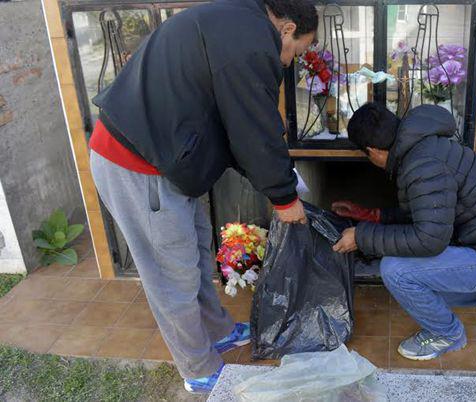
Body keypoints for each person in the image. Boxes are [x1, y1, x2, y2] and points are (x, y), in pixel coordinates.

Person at [88, 0, 317, 393]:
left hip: (165, 157)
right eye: (297, 51)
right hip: (137, 164)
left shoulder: (238, 23)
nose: (289, 62)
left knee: (194, 254)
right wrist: (284, 198)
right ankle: (196, 367)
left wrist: (279, 182)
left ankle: (218, 329)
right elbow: (254, 133)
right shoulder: (250, 44)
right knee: (171, 275)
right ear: (286, 28)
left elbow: (242, 129)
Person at [332, 103, 476, 361]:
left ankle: (447, 334)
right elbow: (426, 214)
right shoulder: (423, 148)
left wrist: (361, 237)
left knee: (397, 271)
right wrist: (371, 216)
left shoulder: (422, 165)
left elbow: (429, 240)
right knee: (421, 277)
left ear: (373, 151)